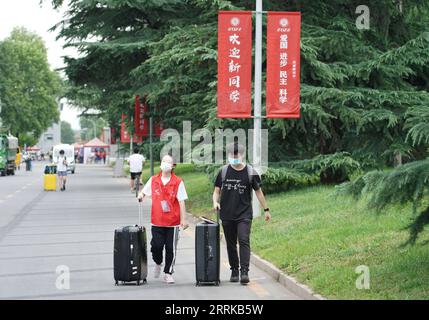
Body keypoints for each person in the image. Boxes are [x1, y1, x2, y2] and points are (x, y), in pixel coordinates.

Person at [212, 142, 271, 285]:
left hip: (244, 214)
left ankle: (244, 271)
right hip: (226, 214)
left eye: (236, 154)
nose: (233, 157)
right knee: (231, 244)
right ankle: (234, 270)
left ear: (242, 155)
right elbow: (216, 191)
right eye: (231, 154)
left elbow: (258, 192)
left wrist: (266, 210)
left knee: (243, 240)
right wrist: (215, 202)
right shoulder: (224, 171)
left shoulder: (250, 172)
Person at [137, 155, 189, 284]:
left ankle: (168, 272)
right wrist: (140, 195)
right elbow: (144, 192)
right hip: (157, 221)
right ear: (160, 164)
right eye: (164, 161)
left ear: (173, 166)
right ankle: (158, 262)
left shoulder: (178, 182)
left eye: (169, 162)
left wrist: (184, 219)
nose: (166, 164)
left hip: (173, 222)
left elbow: (181, 201)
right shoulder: (154, 180)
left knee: (171, 249)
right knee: (156, 246)